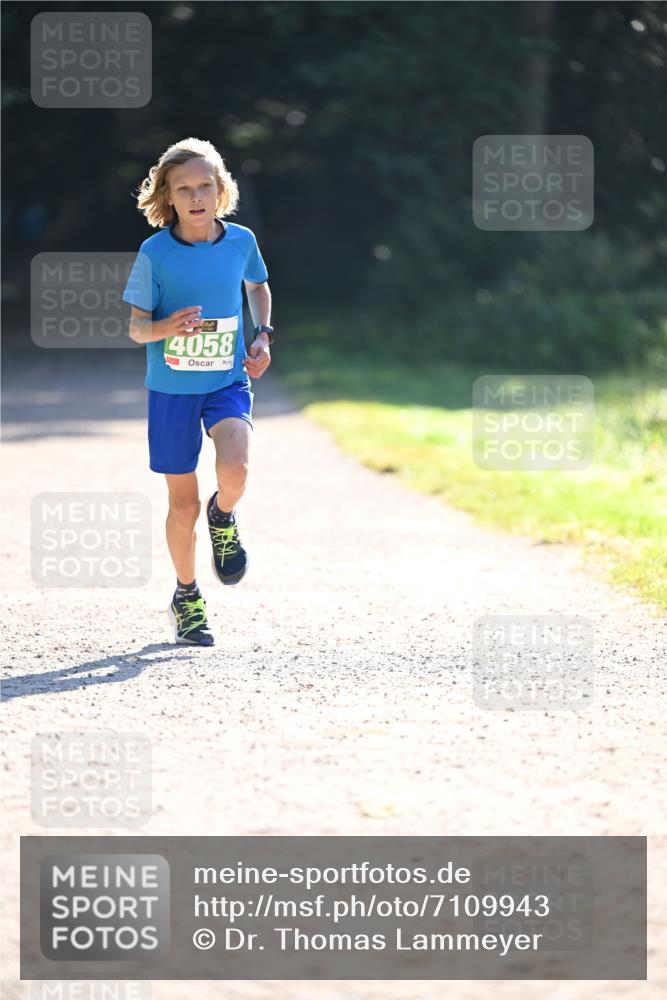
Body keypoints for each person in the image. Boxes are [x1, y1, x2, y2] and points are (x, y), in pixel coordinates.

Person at [122, 137, 274, 646]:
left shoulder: (241, 241)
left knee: (236, 468)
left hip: (226, 379)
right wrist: (167, 327)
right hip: (171, 391)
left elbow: (257, 286)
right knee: (182, 506)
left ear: (220, 189)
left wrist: (262, 334)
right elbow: (137, 328)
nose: (195, 196)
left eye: (204, 185)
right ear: (168, 196)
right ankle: (186, 596)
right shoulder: (155, 253)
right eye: (183, 188)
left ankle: (223, 515)